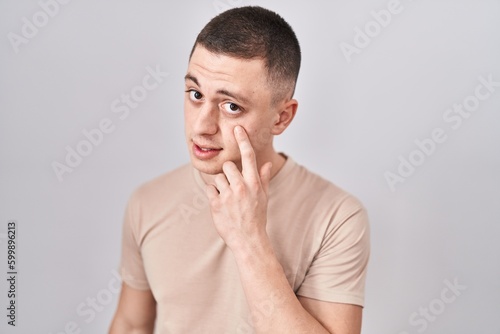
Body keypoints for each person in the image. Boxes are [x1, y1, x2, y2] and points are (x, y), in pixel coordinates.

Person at [109, 6, 370, 334]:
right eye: (195, 94)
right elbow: (132, 325)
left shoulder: (337, 217)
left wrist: (249, 239)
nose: (202, 126)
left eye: (231, 106)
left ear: (282, 117)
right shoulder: (147, 201)